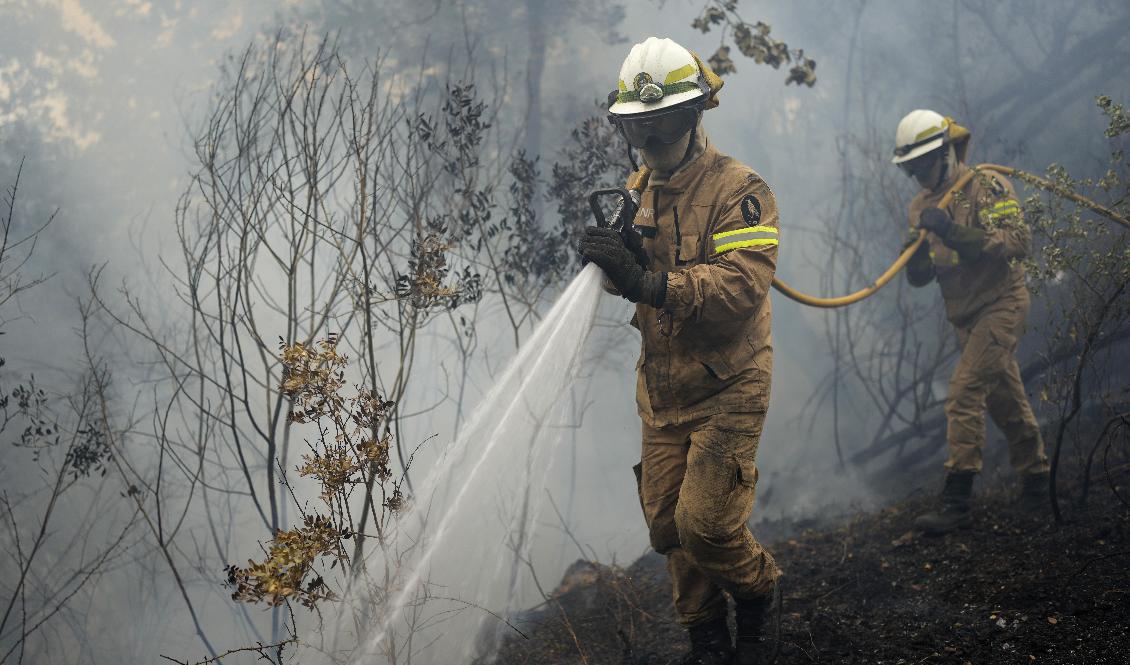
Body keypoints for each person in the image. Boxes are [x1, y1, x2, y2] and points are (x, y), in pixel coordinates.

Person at [579, 36, 781, 664]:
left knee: (707, 524)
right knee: (668, 529)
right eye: (640, 131)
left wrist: (650, 281)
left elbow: (743, 287)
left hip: (729, 384)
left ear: (695, 117)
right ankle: (707, 638)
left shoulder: (740, 189)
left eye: (663, 126)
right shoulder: (636, 195)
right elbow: (637, 291)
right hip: (662, 390)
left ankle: (759, 596)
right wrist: (615, 268)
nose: (653, 144)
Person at [893, 109, 1050, 535]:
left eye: (923, 164)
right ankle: (1038, 482)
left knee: (962, 395)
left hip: (1002, 304)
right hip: (964, 316)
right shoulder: (919, 208)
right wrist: (918, 255)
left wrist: (951, 231)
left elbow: (1019, 243)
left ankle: (957, 499)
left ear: (944, 153)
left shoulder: (986, 184)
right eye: (911, 169)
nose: (918, 175)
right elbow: (921, 278)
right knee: (1005, 400)